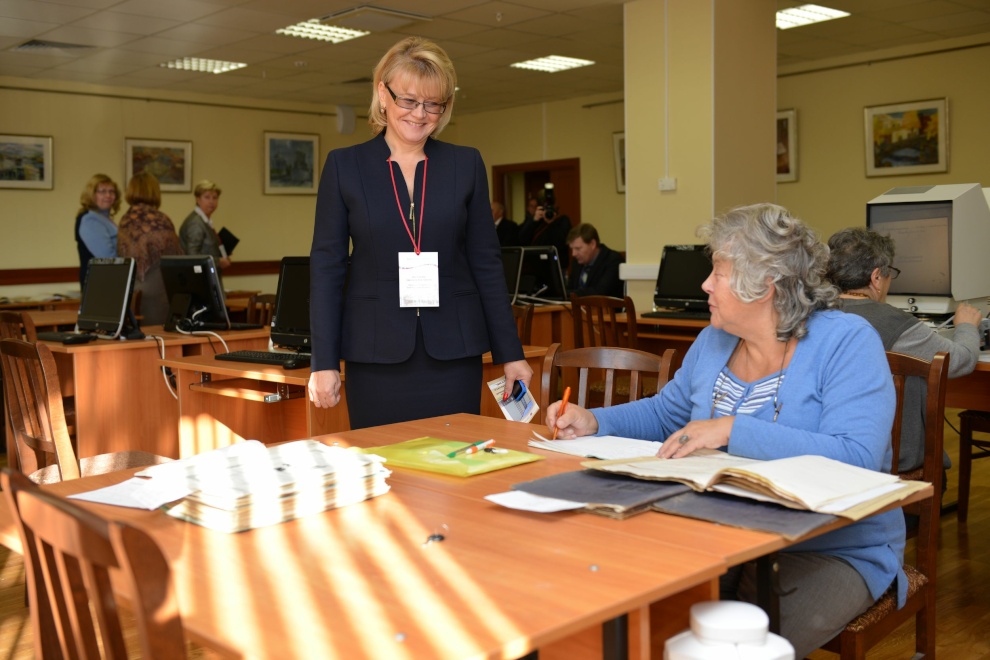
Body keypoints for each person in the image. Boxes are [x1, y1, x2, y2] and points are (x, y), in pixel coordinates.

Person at [545, 203, 905, 659]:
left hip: (830, 546)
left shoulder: (846, 341)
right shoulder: (715, 339)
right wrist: (597, 421)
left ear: (764, 285)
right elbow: (666, 415)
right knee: (637, 608)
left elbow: (856, 457)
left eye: (718, 272)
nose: (705, 285)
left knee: (734, 643)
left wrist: (732, 429)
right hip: (721, 530)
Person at [307, 36, 532, 430]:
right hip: (374, 353)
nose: (420, 114)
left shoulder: (465, 164)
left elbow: (486, 263)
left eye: (433, 104)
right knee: (382, 461)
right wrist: (323, 362)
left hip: (453, 353)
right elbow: (327, 268)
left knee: (452, 458)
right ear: (383, 94)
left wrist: (510, 353)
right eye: (409, 100)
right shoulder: (345, 166)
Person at [827, 226, 981, 473]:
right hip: (894, 461)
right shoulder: (896, 323)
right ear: (876, 278)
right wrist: (966, 326)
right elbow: (960, 360)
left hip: (829, 454)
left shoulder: (813, 314)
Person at [117, 172, 183, 326]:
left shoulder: (124, 220)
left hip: (130, 289)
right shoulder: (160, 219)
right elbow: (176, 255)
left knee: (136, 336)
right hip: (157, 287)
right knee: (159, 335)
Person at [74, 174, 120, 286]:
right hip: (99, 285)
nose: (108, 195)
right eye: (102, 191)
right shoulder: (90, 220)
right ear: (92, 194)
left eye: (111, 191)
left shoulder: (104, 218)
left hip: (109, 281)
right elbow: (108, 258)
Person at [179, 180, 231, 271]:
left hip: (207, 272)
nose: (211, 201)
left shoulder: (205, 220)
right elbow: (193, 256)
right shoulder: (195, 223)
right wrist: (218, 262)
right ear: (198, 199)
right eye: (207, 197)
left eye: (215, 198)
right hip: (198, 275)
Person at [566, 223, 624, 298]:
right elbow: (569, 289)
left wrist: (570, 294)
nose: (573, 254)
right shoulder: (577, 262)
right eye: (572, 249)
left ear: (593, 244)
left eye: (578, 248)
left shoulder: (613, 260)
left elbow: (600, 293)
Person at [517, 192, 572, 269]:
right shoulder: (537, 221)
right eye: (545, 206)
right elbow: (521, 240)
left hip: (556, 266)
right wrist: (534, 221)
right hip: (534, 266)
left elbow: (562, 243)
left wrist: (551, 223)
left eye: (551, 206)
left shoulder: (562, 220)